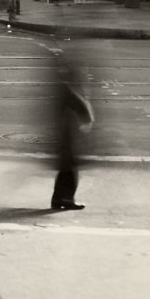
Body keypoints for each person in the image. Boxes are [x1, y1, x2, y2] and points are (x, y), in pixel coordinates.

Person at [49, 48, 94, 210]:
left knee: (67, 164)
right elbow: (74, 98)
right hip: (68, 126)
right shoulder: (66, 80)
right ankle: (65, 198)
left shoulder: (59, 77)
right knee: (70, 164)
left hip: (64, 124)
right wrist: (86, 117)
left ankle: (59, 198)